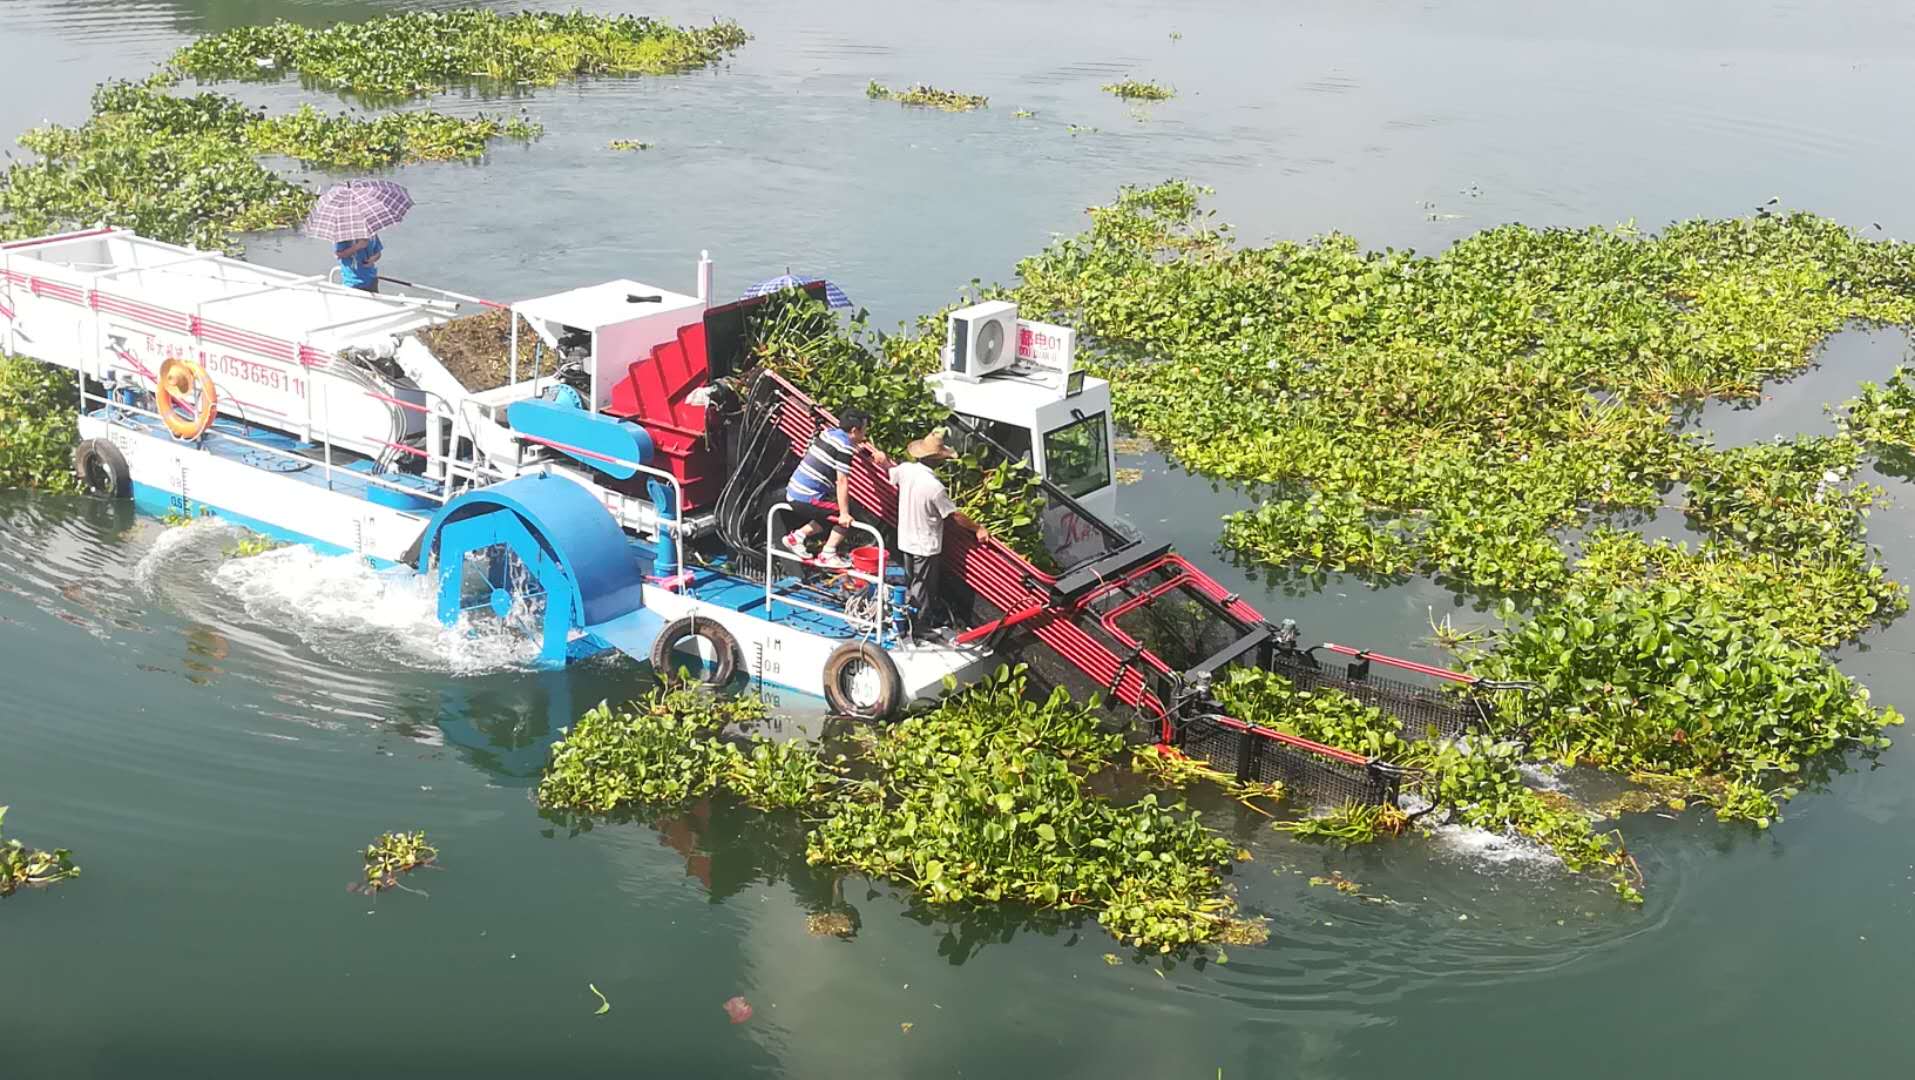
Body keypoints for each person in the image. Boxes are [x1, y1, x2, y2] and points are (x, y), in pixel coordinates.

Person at [885, 429, 989, 641]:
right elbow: (953, 516)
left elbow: (890, 470)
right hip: (925, 545)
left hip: (905, 539)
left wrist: (882, 458)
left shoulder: (906, 470)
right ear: (937, 460)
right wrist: (978, 528)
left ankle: (906, 620)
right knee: (922, 587)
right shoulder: (935, 487)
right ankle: (919, 627)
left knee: (912, 582)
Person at [781, 407, 873, 569]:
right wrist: (844, 514)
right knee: (845, 515)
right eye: (864, 430)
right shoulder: (845, 448)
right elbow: (842, 481)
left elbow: (839, 448)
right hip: (806, 497)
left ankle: (797, 537)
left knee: (828, 512)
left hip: (795, 490)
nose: (865, 435)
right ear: (854, 430)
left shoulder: (829, 433)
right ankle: (828, 554)